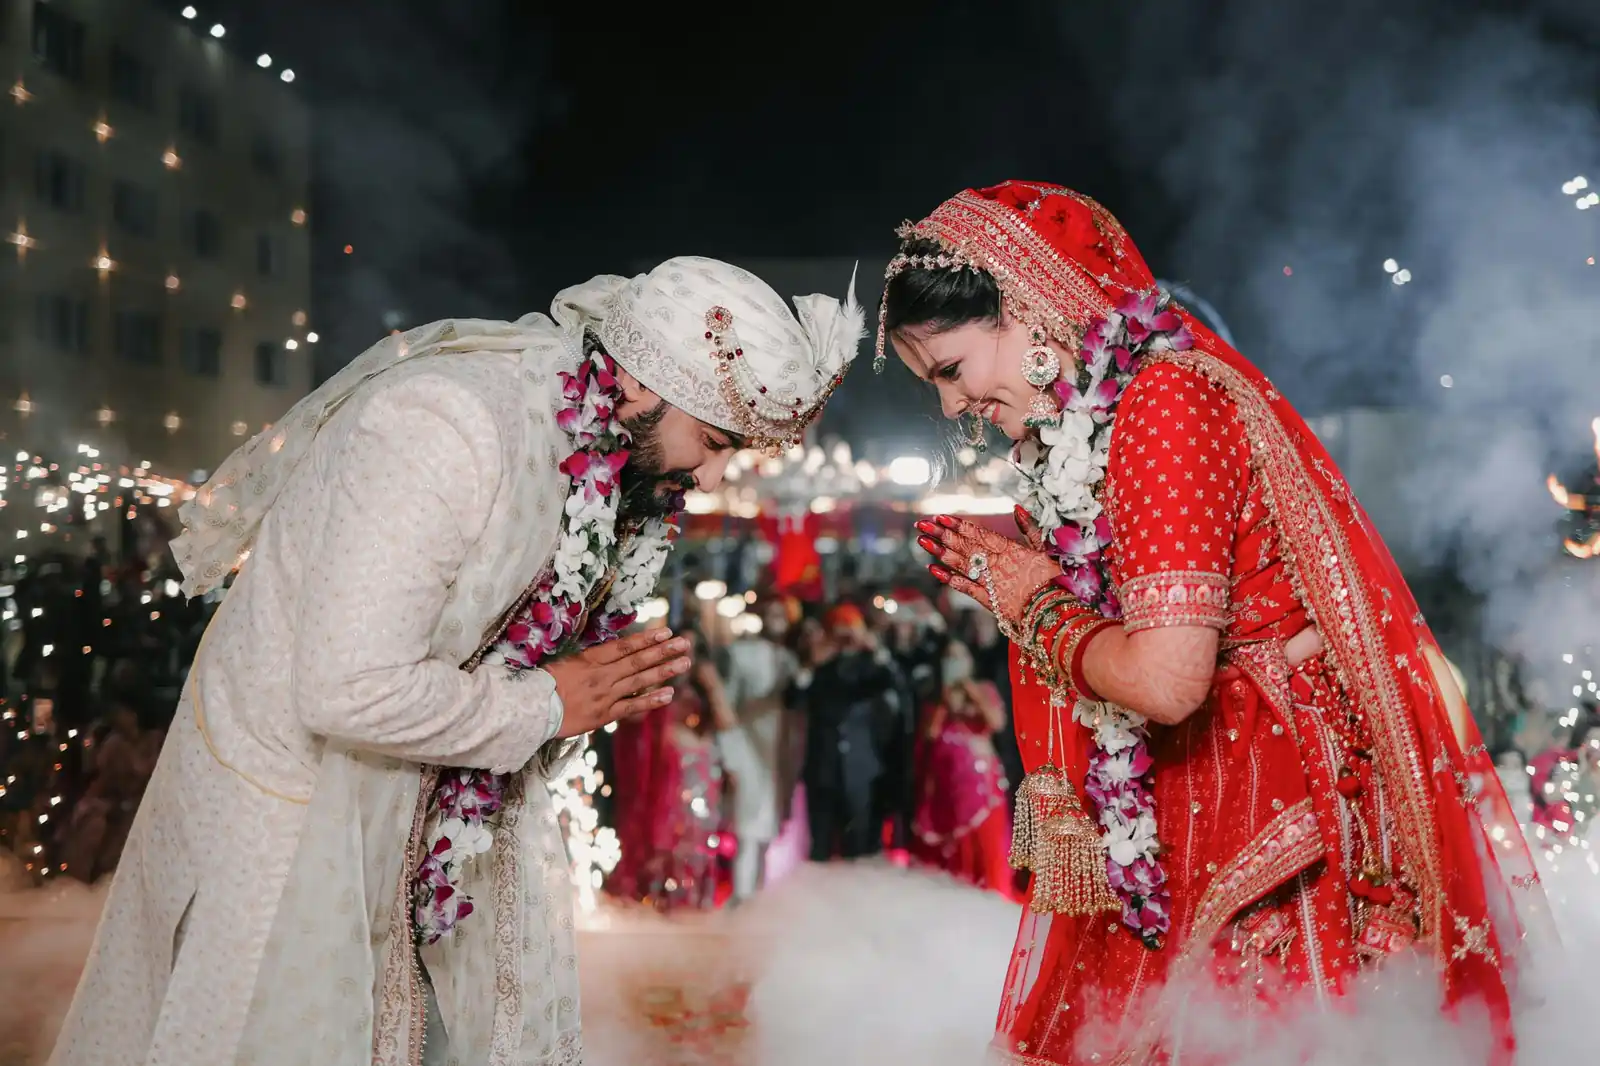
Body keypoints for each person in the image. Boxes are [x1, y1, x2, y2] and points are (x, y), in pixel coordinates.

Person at [50, 256, 862, 1066]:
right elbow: (346, 686)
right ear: (643, 382)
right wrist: (548, 703)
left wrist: (572, 688)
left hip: (402, 821)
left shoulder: (583, 456)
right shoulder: (446, 427)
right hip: (281, 831)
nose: (714, 476)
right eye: (715, 442)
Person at [883, 182, 1542, 1063]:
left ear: (1028, 306)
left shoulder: (1162, 406)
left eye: (951, 371)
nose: (952, 409)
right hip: (1197, 798)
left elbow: (1165, 677)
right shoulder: (1100, 423)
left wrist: (1034, 602)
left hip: (1265, 810)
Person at [608, 628, 739, 912]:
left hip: (702, 769)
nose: (686, 655)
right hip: (666, 769)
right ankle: (659, 899)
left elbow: (727, 723)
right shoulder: (659, 682)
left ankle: (692, 900)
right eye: (680, 647)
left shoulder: (705, 687)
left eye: (692, 649)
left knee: (698, 835)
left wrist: (712, 685)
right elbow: (635, 716)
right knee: (663, 835)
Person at [795, 604, 913, 862]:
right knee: (820, 848)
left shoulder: (870, 666)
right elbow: (794, 698)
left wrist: (876, 650)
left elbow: (897, 686)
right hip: (823, 768)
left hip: (863, 768)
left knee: (860, 848)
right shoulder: (820, 667)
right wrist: (812, 664)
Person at [910, 640, 1017, 899]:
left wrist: (970, 691)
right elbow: (931, 734)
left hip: (981, 789)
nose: (954, 663)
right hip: (946, 788)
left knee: (983, 850)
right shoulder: (935, 698)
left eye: (960, 656)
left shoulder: (984, 689)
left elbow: (996, 722)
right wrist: (945, 699)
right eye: (949, 657)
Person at [716, 598, 801, 902]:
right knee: (747, 827)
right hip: (749, 749)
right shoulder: (741, 654)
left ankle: (760, 897)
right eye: (772, 612)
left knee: (768, 827)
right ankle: (742, 896)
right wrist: (730, 756)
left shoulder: (791, 661)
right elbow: (727, 706)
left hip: (779, 753)